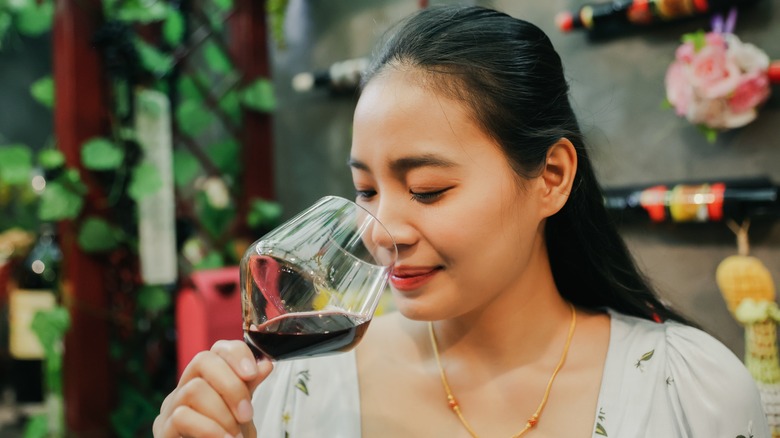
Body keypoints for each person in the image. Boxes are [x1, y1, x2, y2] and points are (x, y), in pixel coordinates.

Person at [153, 5, 769, 437]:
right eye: (364, 189)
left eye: (427, 190)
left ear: (551, 176)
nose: (379, 230)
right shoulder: (297, 395)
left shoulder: (686, 392)